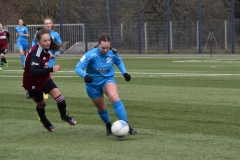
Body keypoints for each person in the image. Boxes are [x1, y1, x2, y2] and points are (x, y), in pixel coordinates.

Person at [75, 33, 137, 136]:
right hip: (92, 84)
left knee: (114, 97)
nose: (105, 50)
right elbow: (78, 68)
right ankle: (108, 126)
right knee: (102, 108)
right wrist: (85, 76)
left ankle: (126, 125)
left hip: (107, 79)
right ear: (98, 44)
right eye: (103, 47)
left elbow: (119, 61)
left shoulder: (112, 52)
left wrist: (124, 73)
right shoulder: (90, 54)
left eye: (107, 48)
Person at [23, 29, 77, 132]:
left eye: (49, 40)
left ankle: (64, 116)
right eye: (45, 41)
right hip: (32, 83)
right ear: (38, 42)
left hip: (44, 78)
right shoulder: (36, 52)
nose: (48, 43)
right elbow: (33, 70)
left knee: (60, 98)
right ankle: (44, 120)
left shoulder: (44, 48)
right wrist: (51, 69)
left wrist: (48, 55)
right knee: (42, 104)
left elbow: (42, 58)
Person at [32, 17, 62, 99]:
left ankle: (46, 91)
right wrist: (34, 51)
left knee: (48, 73)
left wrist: (56, 53)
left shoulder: (55, 34)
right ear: (44, 25)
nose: (48, 25)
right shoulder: (38, 33)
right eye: (46, 23)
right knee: (40, 73)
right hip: (40, 56)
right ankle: (38, 89)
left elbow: (59, 45)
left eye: (49, 23)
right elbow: (34, 42)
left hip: (51, 58)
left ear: (52, 24)